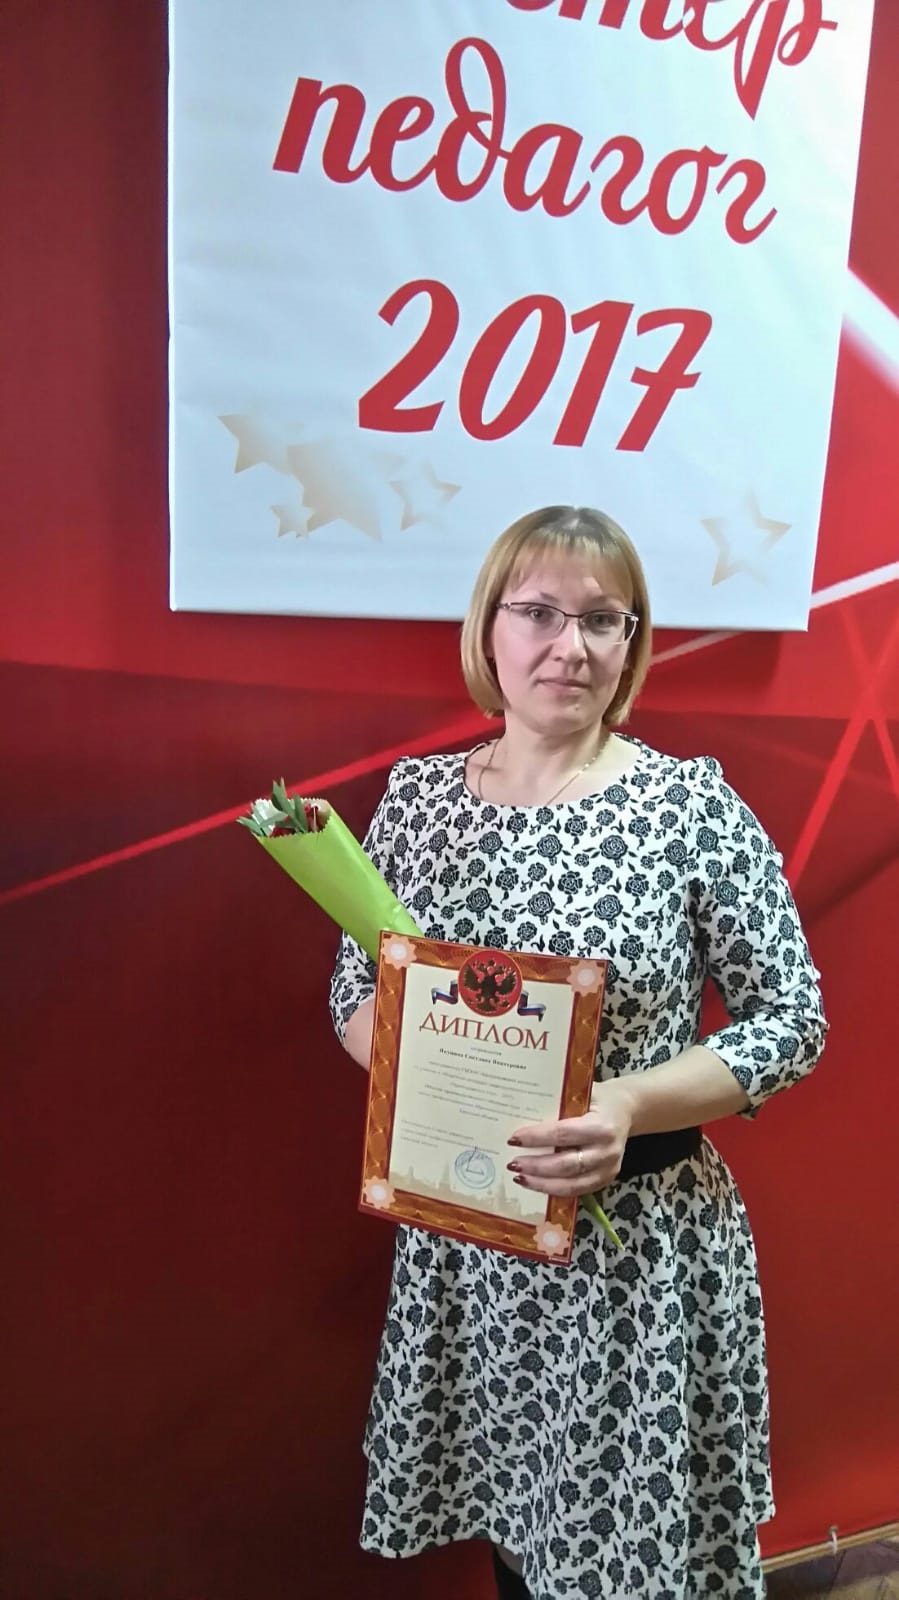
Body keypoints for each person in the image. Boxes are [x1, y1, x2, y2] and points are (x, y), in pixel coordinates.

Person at [329, 505, 827, 1600]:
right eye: (540, 613)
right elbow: (355, 993)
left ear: (631, 643)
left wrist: (623, 1104)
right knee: (517, 1545)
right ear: (489, 629)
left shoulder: (687, 806)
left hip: (635, 1254)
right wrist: (428, 1072)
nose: (571, 646)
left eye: (603, 619)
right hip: (471, 1246)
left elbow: (790, 1019)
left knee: (635, 1560)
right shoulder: (419, 804)